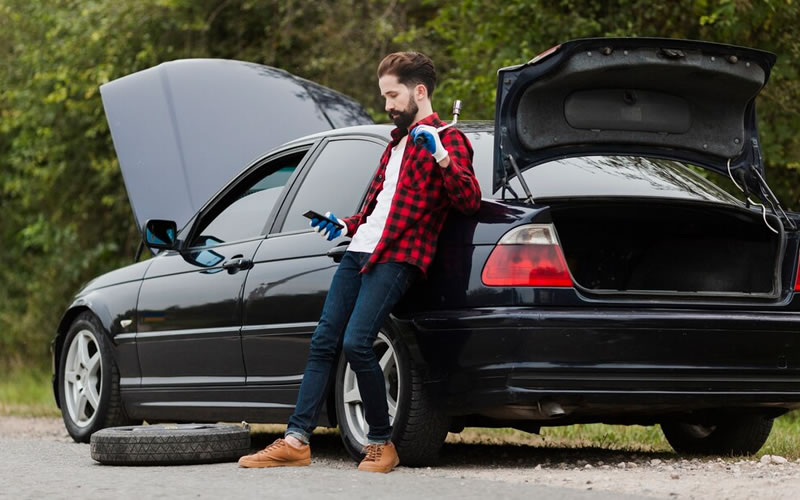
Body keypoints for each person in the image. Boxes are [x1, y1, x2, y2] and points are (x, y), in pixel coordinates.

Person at [238, 51, 481, 473]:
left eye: (393, 94)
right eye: (384, 95)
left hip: (399, 256)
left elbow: (469, 199)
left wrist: (442, 156)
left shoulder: (450, 139)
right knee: (323, 341)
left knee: (356, 342)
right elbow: (376, 209)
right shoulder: (395, 144)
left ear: (418, 92)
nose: (387, 104)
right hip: (360, 248)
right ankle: (296, 440)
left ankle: (381, 443)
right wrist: (345, 224)